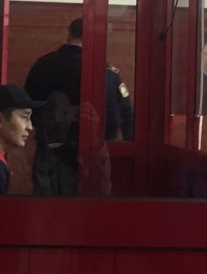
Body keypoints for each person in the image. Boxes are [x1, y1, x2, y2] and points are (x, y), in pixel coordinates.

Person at [24, 18, 134, 196]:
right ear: (95, 39)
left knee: (47, 208)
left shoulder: (42, 66)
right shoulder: (106, 74)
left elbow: (27, 109)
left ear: (69, 34)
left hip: (49, 154)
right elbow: (120, 118)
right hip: (91, 157)